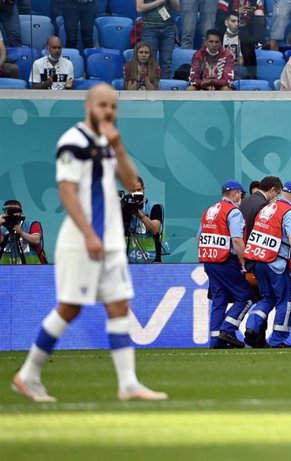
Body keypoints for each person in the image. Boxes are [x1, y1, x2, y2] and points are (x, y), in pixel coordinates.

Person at [11, 84, 167, 402]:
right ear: (88, 106)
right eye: (102, 105)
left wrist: (118, 145)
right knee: (70, 308)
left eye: (113, 106)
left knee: (119, 305)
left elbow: (130, 180)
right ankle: (27, 375)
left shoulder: (106, 143)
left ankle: (128, 384)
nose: (108, 111)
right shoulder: (73, 142)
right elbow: (66, 191)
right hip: (83, 239)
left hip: (108, 240)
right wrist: (89, 233)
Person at [243, 181, 291, 348]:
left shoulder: (268, 207)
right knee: (285, 301)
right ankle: (277, 340)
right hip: (276, 263)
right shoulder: (290, 212)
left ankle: (251, 326)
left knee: (267, 298)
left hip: (258, 262)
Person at [199, 179, 253, 349]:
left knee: (219, 300)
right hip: (226, 261)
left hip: (209, 261)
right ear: (236, 193)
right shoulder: (233, 212)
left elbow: (198, 237)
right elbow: (237, 240)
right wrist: (244, 262)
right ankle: (227, 330)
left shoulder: (209, 211)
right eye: (241, 194)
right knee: (245, 297)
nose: (241, 198)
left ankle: (216, 341)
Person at [238, 175, 283, 348]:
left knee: (260, 297)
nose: (276, 197)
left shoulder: (245, 202)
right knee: (267, 297)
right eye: (276, 193)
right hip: (260, 257)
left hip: (247, 257)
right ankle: (255, 334)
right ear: (272, 190)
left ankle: (256, 336)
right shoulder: (264, 206)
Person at [215, 0, 266, 79]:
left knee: (259, 12)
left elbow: (262, 19)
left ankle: (250, 78)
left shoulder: (256, 1)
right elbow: (220, 20)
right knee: (244, 41)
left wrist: (253, 14)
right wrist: (236, 11)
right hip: (228, 31)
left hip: (247, 32)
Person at [125, 176, 168, 263]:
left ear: (143, 189)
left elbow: (155, 229)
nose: (136, 193)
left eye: (139, 190)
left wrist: (140, 215)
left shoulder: (154, 207)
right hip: (128, 261)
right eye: (133, 191)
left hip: (151, 259)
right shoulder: (125, 208)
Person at [136, 0, 180, 79]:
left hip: (168, 29)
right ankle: (151, 87)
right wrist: (158, 2)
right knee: (150, 61)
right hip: (149, 30)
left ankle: (164, 88)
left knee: (166, 62)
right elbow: (139, 8)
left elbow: (177, 8)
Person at [0, 200, 47, 265]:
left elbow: (36, 240)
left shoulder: (31, 225)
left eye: (16, 211)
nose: (13, 213)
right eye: (10, 210)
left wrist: (21, 233)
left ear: (21, 212)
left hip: (32, 270)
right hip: (6, 271)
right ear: (5, 212)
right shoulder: (2, 228)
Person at [222, 11, 249, 80]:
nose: (236, 24)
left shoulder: (244, 37)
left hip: (236, 67)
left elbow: (242, 58)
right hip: (221, 66)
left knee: (243, 71)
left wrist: (239, 61)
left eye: (238, 21)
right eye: (233, 21)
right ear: (226, 23)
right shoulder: (219, 36)